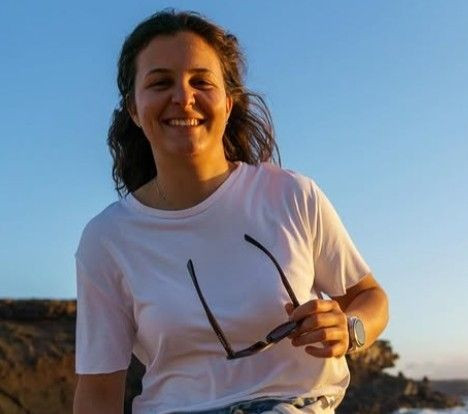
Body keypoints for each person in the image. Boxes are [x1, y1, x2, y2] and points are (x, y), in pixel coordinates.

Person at [73, 9, 389, 414]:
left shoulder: (291, 195)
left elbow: (369, 297)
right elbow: (98, 391)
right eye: (160, 82)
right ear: (134, 109)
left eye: (201, 81)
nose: (182, 97)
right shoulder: (108, 238)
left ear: (228, 101)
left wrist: (350, 328)